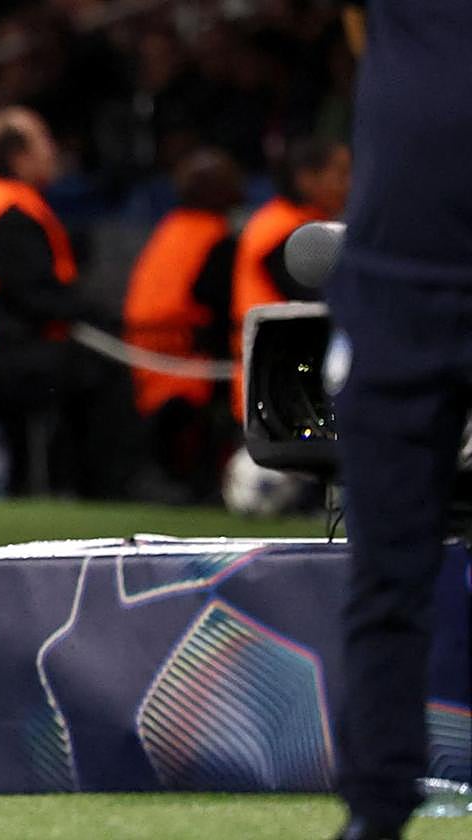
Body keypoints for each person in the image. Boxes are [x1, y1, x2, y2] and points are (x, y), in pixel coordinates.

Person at [328, 4, 472, 839]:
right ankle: (374, 814)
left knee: (388, 583)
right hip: (393, 291)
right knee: (387, 575)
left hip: (398, 277)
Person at [0, 106, 144, 499]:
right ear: (18, 155)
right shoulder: (4, 208)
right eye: (44, 143)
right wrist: (105, 318)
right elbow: (37, 295)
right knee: (102, 369)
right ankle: (101, 488)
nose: (53, 153)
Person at [122, 148, 244, 500]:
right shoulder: (216, 239)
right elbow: (217, 303)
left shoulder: (169, 230)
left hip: (145, 356)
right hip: (190, 361)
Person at [230, 136, 351, 421]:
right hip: (277, 395)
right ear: (307, 178)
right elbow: (322, 296)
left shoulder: (304, 225)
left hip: (292, 386)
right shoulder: (281, 232)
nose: (351, 183)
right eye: (342, 174)